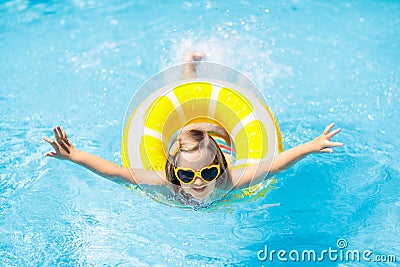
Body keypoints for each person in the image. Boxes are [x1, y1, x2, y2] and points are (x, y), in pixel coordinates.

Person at [43, 52, 343, 202]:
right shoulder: (169, 183)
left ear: (219, 169)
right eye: (187, 174)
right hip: (185, 139)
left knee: (201, 112)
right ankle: (189, 67)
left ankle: (197, 76)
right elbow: (120, 175)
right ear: (175, 172)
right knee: (186, 99)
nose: (198, 182)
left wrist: (311, 146)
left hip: (220, 138)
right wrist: (75, 155)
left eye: (208, 172)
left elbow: (272, 165)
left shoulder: (228, 182)